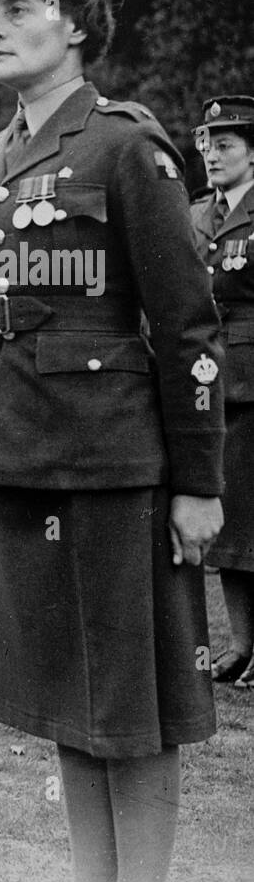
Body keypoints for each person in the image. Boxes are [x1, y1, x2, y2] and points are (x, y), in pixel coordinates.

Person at [0, 0, 225, 882]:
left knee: (134, 703)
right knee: (70, 701)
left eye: (20, 9)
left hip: (116, 465)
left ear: (74, 24)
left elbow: (188, 328)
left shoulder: (125, 144)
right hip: (25, 456)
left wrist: (198, 483)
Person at [191, 95, 254, 688]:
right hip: (209, 384)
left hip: (253, 382)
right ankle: (241, 644)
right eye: (207, 145)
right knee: (232, 521)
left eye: (226, 144)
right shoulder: (195, 216)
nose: (212, 155)